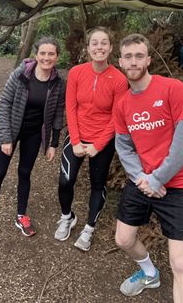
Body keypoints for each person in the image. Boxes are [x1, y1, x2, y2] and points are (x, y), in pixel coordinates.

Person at [114, 33, 183, 302]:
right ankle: (149, 273)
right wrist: (143, 177)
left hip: (180, 184)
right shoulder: (123, 104)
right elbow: (124, 147)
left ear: (149, 59)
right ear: (120, 62)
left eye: (139, 55)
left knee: (181, 264)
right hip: (143, 181)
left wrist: (158, 178)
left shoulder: (172, 88)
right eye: (128, 56)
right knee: (123, 239)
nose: (133, 61)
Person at [0, 37, 65, 240]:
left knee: (25, 173)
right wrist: (6, 139)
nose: (47, 57)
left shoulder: (58, 83)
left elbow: (58, 113)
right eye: (43, 53)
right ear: (36, 54)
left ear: (57, 57)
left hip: (33, 133)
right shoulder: (21, 74)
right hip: (9, 129)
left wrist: (53, 143)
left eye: (51, 54)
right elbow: (4, 104)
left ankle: (21, 215)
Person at [54, 26, 127, 251]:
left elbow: (117, 116)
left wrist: (98, 145)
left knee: (98, 184)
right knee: (66, 180)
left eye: (104, 43)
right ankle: (67, 216)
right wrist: (75, 141)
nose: (99, 47)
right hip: (77, 134)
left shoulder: (119, 79)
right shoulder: (76, 72)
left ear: (111, 48)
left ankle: (88, 228)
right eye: (94, 43)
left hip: (102, 141)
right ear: (88, 48)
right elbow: (71, 106)